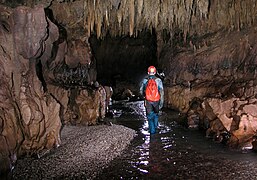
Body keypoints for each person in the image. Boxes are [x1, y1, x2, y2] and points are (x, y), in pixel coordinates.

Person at [140, 66, 164, 134]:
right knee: (156, 114)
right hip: (157, 100)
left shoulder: (145, 80)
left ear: (148, 72)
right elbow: (161, 92)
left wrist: (144, 95)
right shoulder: (158, 80)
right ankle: (156, 128)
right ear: (155, 72)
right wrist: (161, 102)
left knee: (150, 117)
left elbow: (141, 90)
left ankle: (152, 133)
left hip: (148, 101)